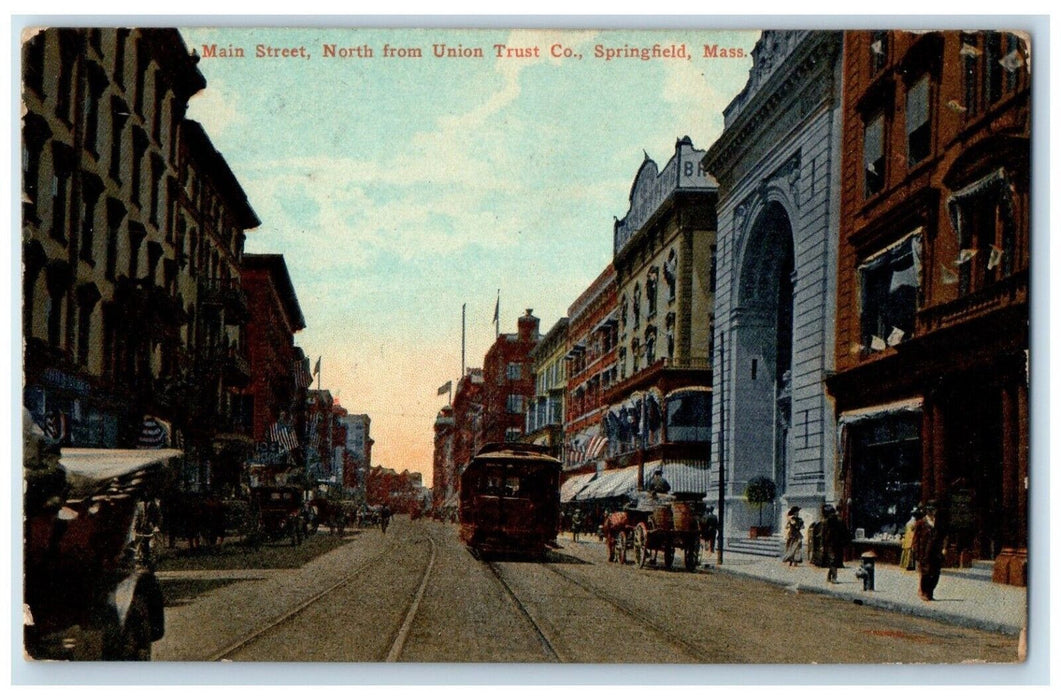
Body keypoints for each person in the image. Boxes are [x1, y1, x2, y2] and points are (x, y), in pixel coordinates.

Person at [912, 503, 945, 601]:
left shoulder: (939, 523)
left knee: (935, 573)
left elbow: (943, 536)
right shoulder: (921, 523)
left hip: (936, 552)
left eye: (933, 510)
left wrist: (944, 548)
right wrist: (916, 551)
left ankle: (930, 592)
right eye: (930, 510)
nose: (932, 512)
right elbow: (916, 539)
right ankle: (924, 592)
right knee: (926, 572)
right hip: (924, 552)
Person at [820, 504, 848, 584]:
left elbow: (844, 532)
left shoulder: (838, 521)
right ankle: (834, 578)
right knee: (833, 560)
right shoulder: (826, 522)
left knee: (834, 560)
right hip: (831, 543)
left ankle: (829, 576)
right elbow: (823, 534)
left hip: (834, 543)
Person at [899, 507, 922, 572]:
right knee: (910, 551)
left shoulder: (910, 521)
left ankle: (907, 564)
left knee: (908, 550)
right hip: (911, 536)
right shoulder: (914, 522)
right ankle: (909, 565)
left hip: (908, 536)